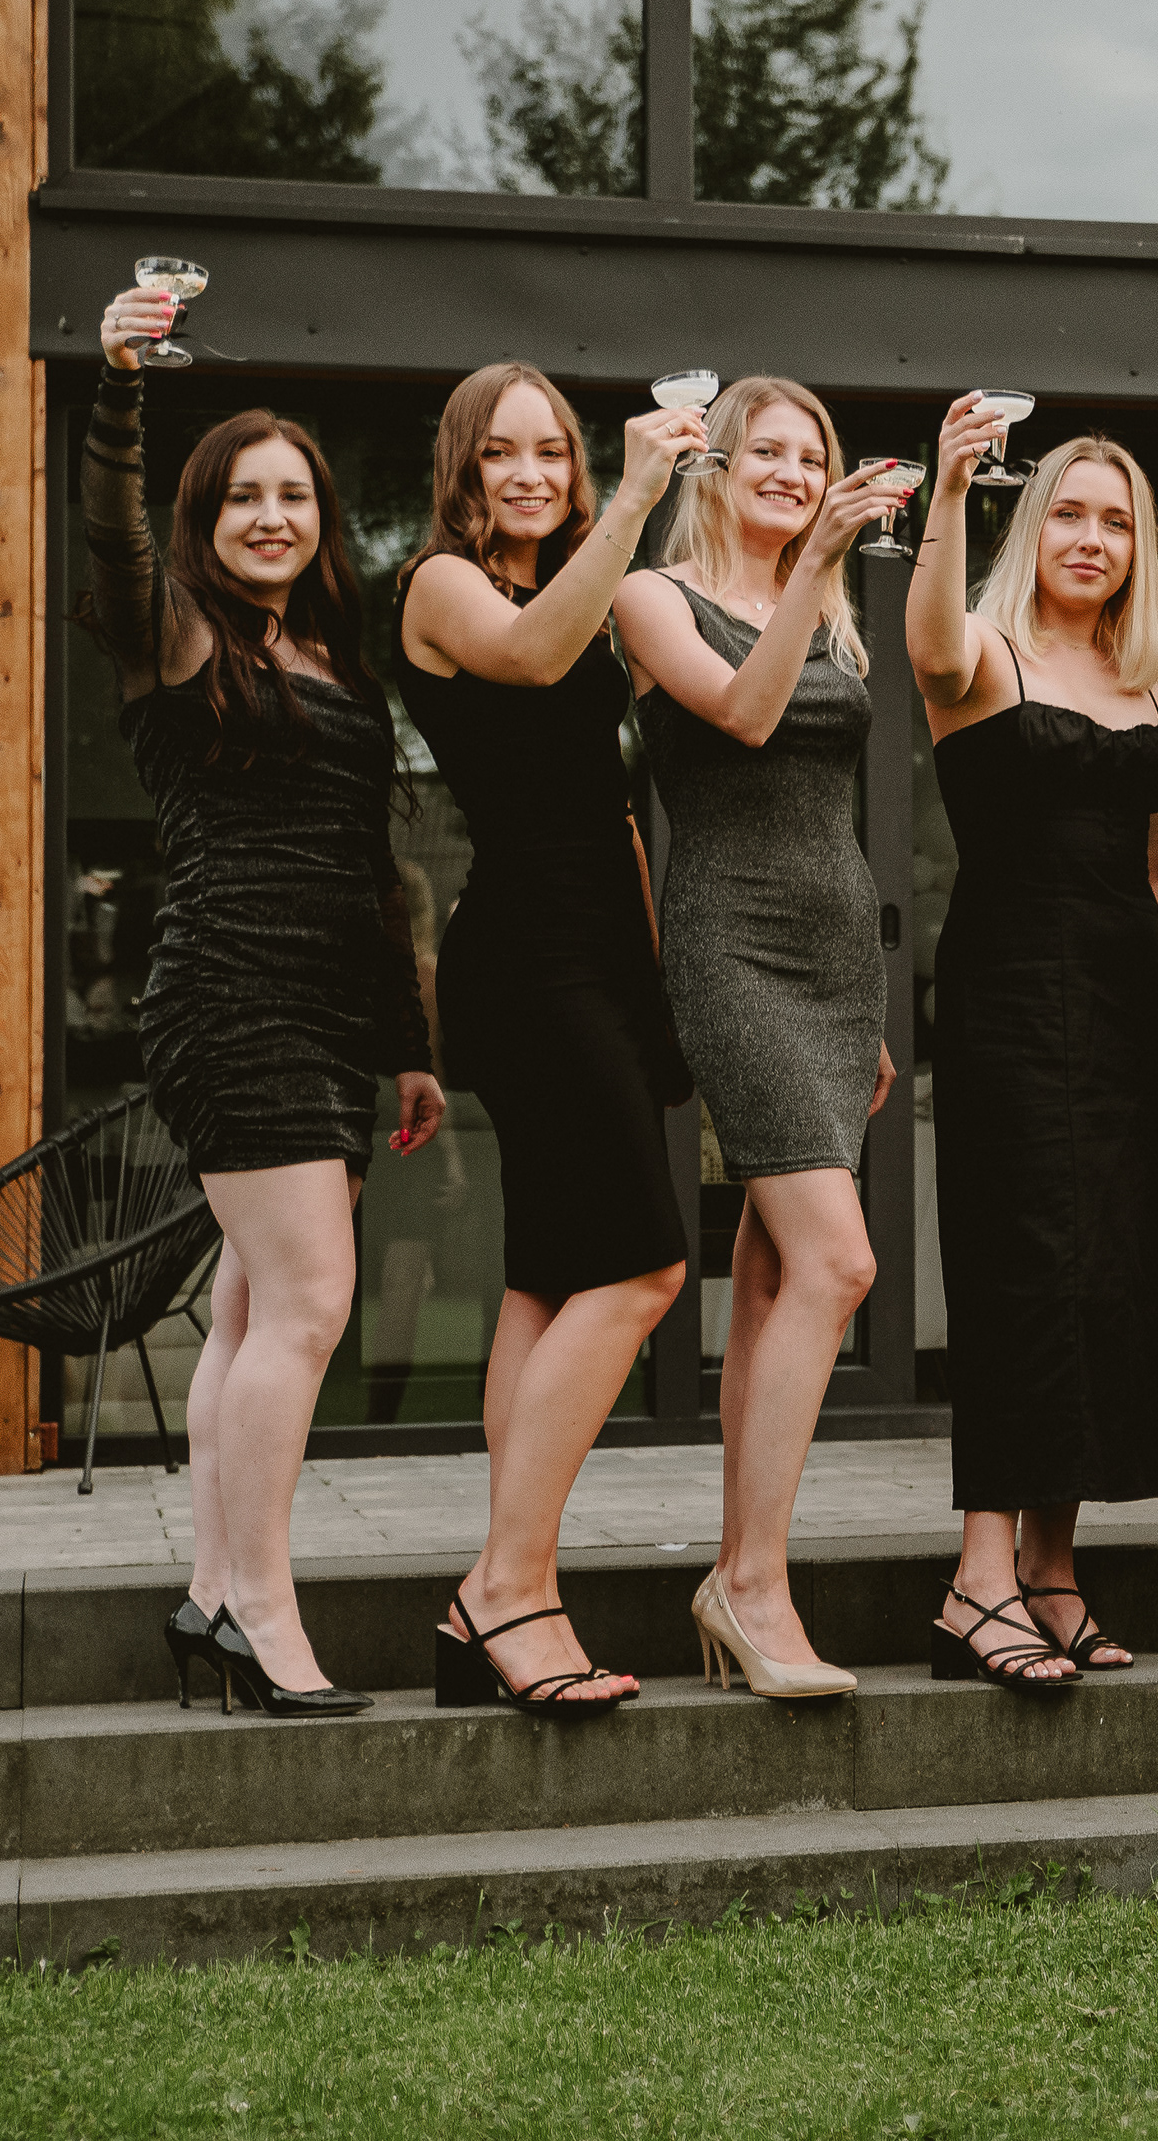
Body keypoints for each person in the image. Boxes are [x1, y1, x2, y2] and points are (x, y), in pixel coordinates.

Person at [83, 285, 440, 1718]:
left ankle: (212, 1592)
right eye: (244, 495)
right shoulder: (177, 635)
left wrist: (408, 1048)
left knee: (246, 1312)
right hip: (230, 999)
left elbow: (373, 875)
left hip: (328, 1014)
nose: (273, 516)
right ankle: (265, 1613)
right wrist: (121, 385)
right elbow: (112, 538)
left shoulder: (334, 662)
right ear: (204, 516)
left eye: (295, 494)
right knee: (309, 1303)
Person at [393, 364, 709, 1715]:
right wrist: (635, 496)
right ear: (462, 471)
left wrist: (658, 980)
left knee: (545, 1277)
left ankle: (503, 1586)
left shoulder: (586, 593)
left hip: (603, 945)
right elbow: (525, 655)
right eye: (500, 453)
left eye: (550, 452)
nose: (529, 474)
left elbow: (617, 808)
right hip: (525, 951)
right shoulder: (439, 585)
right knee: (644, 1266)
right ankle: (507, 1588)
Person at [903, 411, 1158, 1688]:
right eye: (1070, 514)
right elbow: (927, 643)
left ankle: (1051, 1571)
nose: (1091, 538)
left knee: (1107, 1275)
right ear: (1029, 528)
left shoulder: (1146, 680)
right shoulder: (981, 652)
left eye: (1116, 521)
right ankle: (975, 1581)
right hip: (1009, 993)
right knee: (1024, 1270)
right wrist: (947, 489)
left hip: (1125, 1006)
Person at [615, 377, 913, 1698]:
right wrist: (824, 562)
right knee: (841, 1262)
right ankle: (752, 1581)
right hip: (730, 943)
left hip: (837, 960)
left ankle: (739, 1570)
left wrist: (872, 1008)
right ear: (719, 468)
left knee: (779, 1270)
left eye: (814, 456)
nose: (794, 474)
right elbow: (741, 714)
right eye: (770, 453)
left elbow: (827, 808)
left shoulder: (831, 612)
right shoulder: (654, 598)